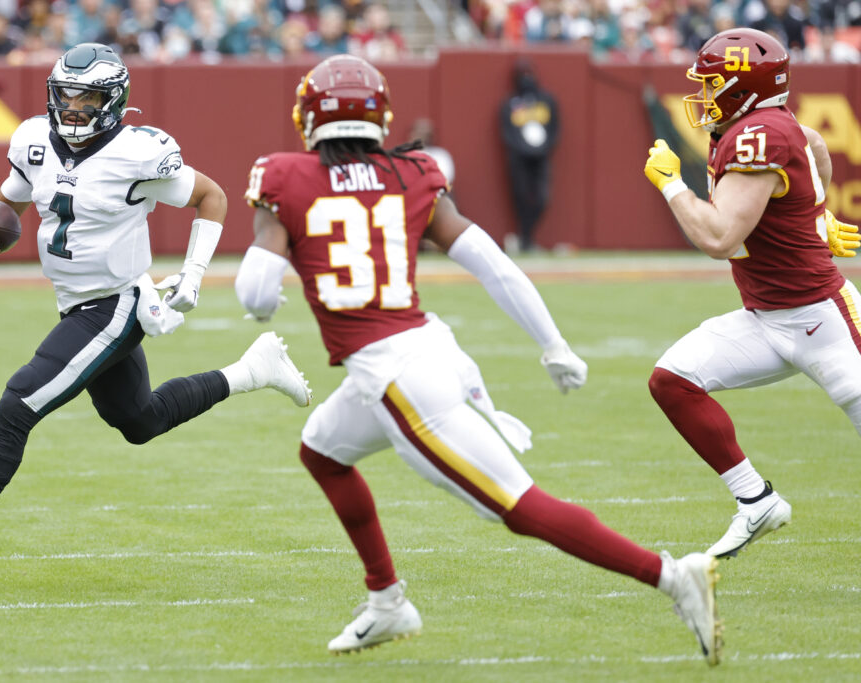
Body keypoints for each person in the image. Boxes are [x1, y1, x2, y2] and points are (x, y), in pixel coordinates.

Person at [236, 54, 723, 665]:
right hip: (426, 348)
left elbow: (256, 296)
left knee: (521, 507)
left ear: (308, 116)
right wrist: (553, 344)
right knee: (324, 451)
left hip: (397, 378)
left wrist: (266, 284)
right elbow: (494, 263)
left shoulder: (286, 174)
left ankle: (673, 577)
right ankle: (388, 603)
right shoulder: (413, 171)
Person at [0, 43, 312, 581]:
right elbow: (1, 209)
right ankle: (254, 370)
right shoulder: (35, 139)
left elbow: (212, 196)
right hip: (73, 304)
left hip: (116, 303)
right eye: (65, 97)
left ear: (113, 101)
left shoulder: (139, 152)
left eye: (87, 99)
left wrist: (195, 273)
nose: (73, 110)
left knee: (19, 403)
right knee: (139, 420)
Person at [643, 27, 861, 561]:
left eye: (713, 83)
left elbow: (719, 237)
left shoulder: (756, 134)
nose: (703, 94)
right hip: (765, 318)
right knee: (673, 381)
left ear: (744, 86)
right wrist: (815, 214)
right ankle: (755, 499)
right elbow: (810, 142)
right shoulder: (753, 126)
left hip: (822, 319)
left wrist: (671, 184)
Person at [499, 58, 560, 253]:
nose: (526, 79)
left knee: (542, 199)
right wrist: (524, 149)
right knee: (522, 198)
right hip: (519, 159)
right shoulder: (510, 104)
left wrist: (542, 149)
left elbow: (555, 129)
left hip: (541, 157)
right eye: (522, 75)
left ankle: (525, 238)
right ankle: (525, 241)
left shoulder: (546, 101)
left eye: (529, 74)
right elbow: (507, 133)